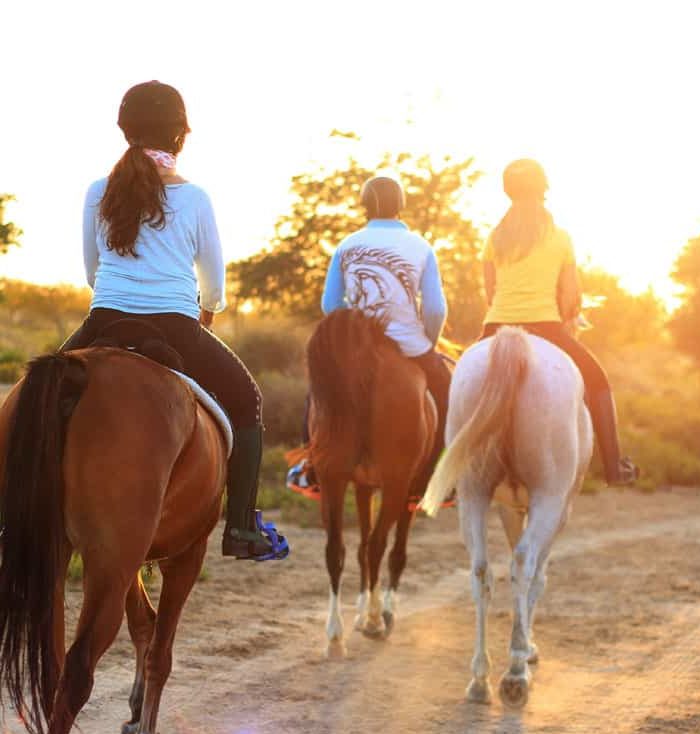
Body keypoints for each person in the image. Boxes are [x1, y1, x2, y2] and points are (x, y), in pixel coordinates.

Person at [61, 80, 288, 561]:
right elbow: (214, 282)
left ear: (125, 132)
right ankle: (243, 529)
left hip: (103, 320)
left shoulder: (97, 190)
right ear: (179, 136)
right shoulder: (195, 198)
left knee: (32, 400)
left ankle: (7, 518)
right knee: (247, 401)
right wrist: (210, 308)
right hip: (178, 328)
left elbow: (90, 270)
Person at [287, 175, 453, 506]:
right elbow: (435, 308)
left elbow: (330, 306)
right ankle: (433, 480)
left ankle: (312, 467)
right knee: (448, 397)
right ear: (401, 206)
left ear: (363, 206)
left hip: (359, 349)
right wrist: (428, 344)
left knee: (318, 396)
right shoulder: (421, 247)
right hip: (409, 344)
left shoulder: (346, 245)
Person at [481, 159, 638, 486]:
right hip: (546, 328)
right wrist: (568, 317)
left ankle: (445, 471)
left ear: (508, 193)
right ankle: (614, 468)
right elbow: (570, 295)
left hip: (495, 327)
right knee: (598, 380)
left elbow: (489, 291)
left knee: (455, 387)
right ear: (543, 192)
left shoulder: (494, 238)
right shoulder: (560, 238)